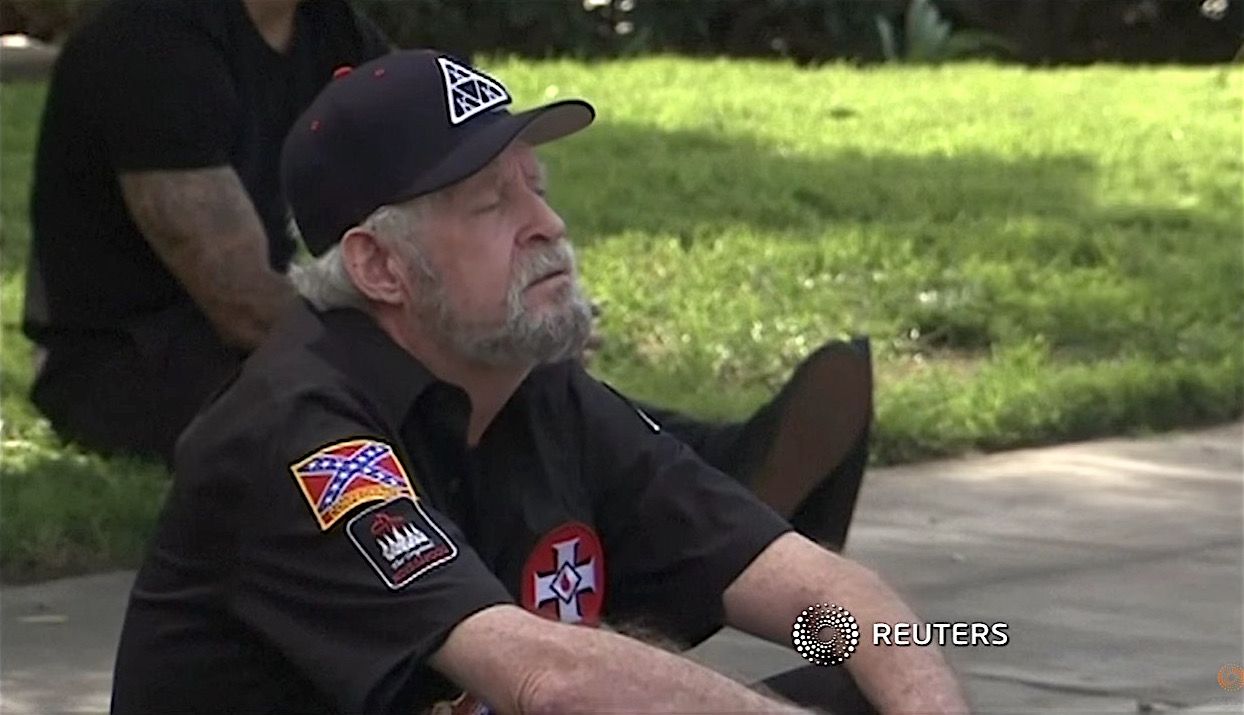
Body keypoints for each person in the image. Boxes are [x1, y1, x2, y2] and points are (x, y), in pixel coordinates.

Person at [110, 49, 966, 715]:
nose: (547, 225)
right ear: (379, 265)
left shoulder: (532, 390)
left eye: (538, 186)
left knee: (868, 680)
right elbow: (547, 681)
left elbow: (819, 593)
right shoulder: (295, 436)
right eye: (491, 204)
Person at [22, 0, 869, 546]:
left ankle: (716, 478)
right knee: (447, 385)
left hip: (293, 323)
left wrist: (502, 310)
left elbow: (443, 147)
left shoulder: (329, 30)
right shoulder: (143, 45)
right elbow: (240, 299)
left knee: (504, 361)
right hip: (137, 361)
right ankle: (720, 490)